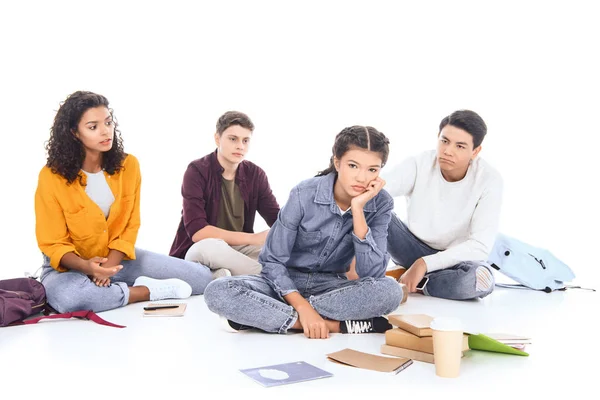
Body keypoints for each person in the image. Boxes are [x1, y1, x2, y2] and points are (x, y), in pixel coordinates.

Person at [204, 126, 405, 338]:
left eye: (372, 170)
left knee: (391, 291)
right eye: (353, 166)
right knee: (218, 290)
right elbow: (271, 261)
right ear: (337, 162)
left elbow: (372, 274)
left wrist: (358, 209)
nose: (362, 178)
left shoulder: (381, 203)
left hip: (331, 288)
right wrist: (302, 307)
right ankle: (328, 325)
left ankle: (272, 318)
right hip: (283, 285)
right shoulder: (304, 193)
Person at [35, 91, 212, 313]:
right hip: (69, 267)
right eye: (93, 127)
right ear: (74, 133)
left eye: (108, 123)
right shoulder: (51, 177)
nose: (105, 131)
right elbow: (53, 243)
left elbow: (130, 224)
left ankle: (109, 290)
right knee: (72, 298)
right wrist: (88, 268)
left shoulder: (128, 166)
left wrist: (109, 266)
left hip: (117, 258)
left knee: (202, 279)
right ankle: (144, 291)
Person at [384, 110, 502, 300]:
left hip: (454, 259)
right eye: (444, 141)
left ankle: (422, 282)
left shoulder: (489, 180)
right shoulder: (420, 163)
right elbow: (381, 188)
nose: (448, 151)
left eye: (460, 146)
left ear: (475, 151)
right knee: (373, 204)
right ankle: (404, 276)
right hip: (410, 247)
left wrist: (424, 264)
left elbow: (480, 246)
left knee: (481, 280)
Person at [169, 111, 280, 278]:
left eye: (245, 140)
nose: (240, 146)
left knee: (281, 250)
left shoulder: (255, 174)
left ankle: (219, 276)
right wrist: (254, 238)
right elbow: (198, 232)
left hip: (237, 251)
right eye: (233, 139)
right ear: (217, 139)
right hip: (201, 249)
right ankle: (272, 278)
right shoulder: (197, 171)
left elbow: (277, 219)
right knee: (208, 248)